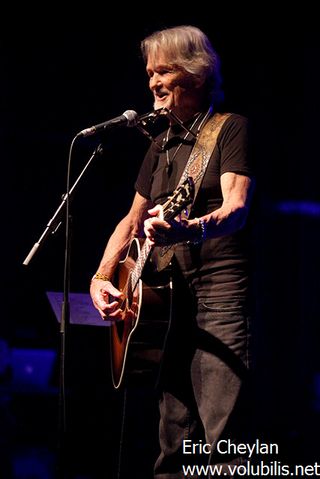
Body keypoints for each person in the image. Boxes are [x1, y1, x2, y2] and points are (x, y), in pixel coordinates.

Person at [90, 25, 255, 478]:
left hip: (219, 297)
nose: (152, 83)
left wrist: (190, 229)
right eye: (149, 73)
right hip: (166, 304)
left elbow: (236, 208)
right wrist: (102, 277)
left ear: (196, 74)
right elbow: (131, 220)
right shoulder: (159, 143)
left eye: (163, 71)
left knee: (224, 439)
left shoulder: (229, 129)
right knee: (173, 441)